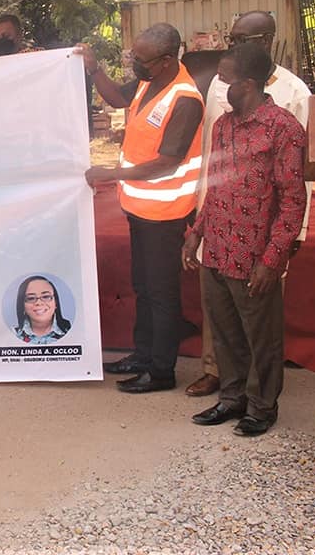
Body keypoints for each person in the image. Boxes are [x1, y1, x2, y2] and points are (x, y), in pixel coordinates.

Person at [185, 10, 313, 398]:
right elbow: (216, 174)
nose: (222, 86)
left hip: (260, 238)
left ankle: (260, 403)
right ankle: (228, 390)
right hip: (219, 235)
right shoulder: (225, 117)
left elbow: (295, 189)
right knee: (222, 324)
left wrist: (282, 248)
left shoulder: (291, 105)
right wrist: (197, 231)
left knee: (259, 325)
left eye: (243, 39)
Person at [76, 23, 204, 394]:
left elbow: (166, 162)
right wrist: (94, 67)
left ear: (166, 61)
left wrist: (111, 173)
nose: (134, 64)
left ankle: (161, 371)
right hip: (139, 209)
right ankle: (142, 355)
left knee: (161, 294)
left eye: (140, 59)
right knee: (144, 287)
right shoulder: (152, 83)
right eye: (133, 56)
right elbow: (117, 99)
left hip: (165, 214)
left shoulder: (184, 100)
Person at [14, 276, 72, 344]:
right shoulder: (13, 334)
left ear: (55, 303)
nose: (39, 303)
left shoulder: (72, 331)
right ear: (22, 305)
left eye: (46, 296)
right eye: (31, 298)